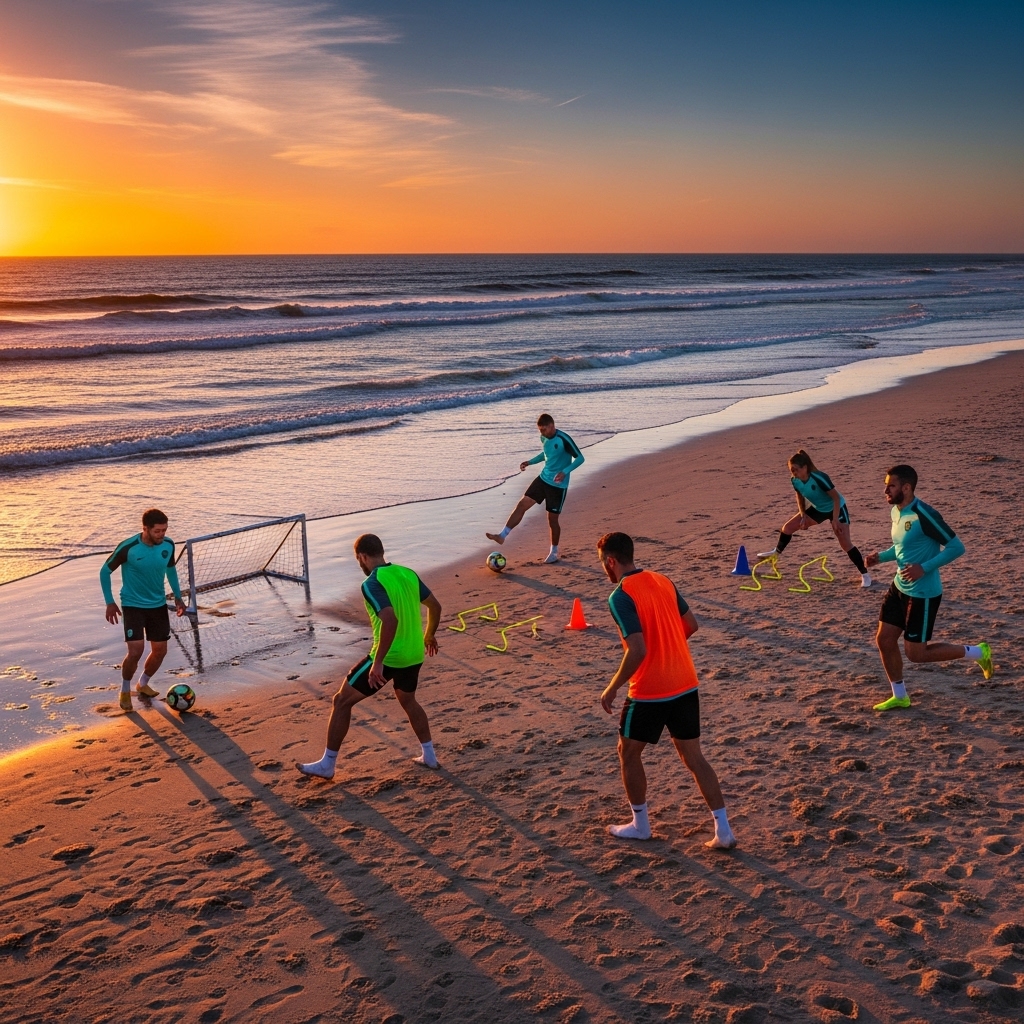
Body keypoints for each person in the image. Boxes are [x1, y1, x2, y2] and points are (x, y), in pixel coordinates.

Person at [597, 532, 737, 849]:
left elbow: (636, 651)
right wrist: (668, 649)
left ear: (611, 561)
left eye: (603, 564)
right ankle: (724, 831)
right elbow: (690, 625)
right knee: (694, 758)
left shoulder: (619, 596)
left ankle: (640, 825)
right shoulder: (662, 580)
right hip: (685, 682)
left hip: (649, 690)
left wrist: (612, 687)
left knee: (628, 752)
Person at [297, 534, 442, 778]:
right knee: (408, 701)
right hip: (414, 654)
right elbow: (436, 606)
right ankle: (429, 756)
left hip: (390, 657)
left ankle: (327, 765)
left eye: (358, 560)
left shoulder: (372, 583)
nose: (360, 565)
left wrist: (378, 663)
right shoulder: (407, 573)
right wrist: (428, 636)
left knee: (341, 701)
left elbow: (390, 620)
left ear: (362, 557)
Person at [865, 464, 993, 711]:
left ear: (906, 487)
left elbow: (957, 547)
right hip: (899, 587)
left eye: (890, 485)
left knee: (916, 654)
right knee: (884, 640)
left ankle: (978, 652)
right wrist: (880, 557)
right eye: (886, 484)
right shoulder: (896, 512)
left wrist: (924, 567)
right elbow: (903, 547)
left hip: (923, 594)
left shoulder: (925, 514)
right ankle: (900, 695)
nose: (886, 490)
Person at [100, 508, 187, 712]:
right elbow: (104, 572)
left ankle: (143, 683)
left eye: (164, 530)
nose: (162, 535)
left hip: (157, 605)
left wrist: (178, 595)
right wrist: (109, 602)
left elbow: (170, 569)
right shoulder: (128, 547)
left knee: (160, 651)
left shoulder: (168, 545)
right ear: (145, 529)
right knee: (136, 651)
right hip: (132, 605)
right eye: (157, 531)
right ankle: (124, 689)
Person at [757, 449, 872, 587]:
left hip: (837, 508)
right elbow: (799, 496)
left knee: (845, 543)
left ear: (804, 468)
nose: (793, 473)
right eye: (791, 470)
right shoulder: (795, 480)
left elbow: (835, 498)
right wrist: (803, 514)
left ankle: (865, 574)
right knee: (787, 528)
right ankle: (776, 554)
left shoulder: (819, 477)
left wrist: (835, 520)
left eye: (795, 470)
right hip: (819, 509)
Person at [486, 413, 584, 564]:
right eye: (540, 430)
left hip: (558, 486)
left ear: (552, 426)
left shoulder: (564, 439)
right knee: (522, 504)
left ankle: (554, 551)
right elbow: (546, 454)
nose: (541, 433)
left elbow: (580, 458)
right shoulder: (544, 438)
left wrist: (564, 472)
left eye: (544, 430)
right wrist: (530, 462)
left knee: (552, 520)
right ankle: (502, 535)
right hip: (543, 479)